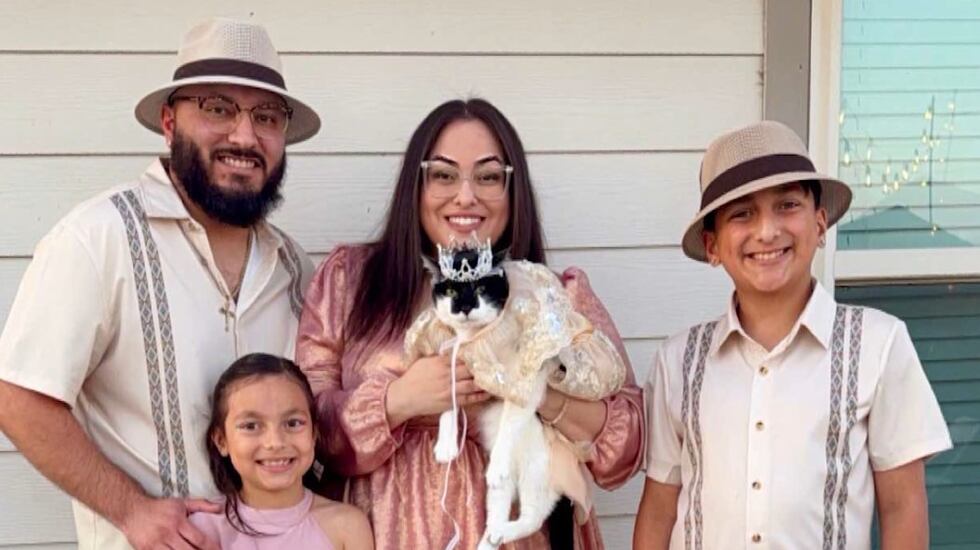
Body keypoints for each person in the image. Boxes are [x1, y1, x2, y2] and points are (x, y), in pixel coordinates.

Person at [0, 17, 317, 549]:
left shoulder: (294, 268)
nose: (244, 135)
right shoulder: (98, 239)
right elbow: (18, 396)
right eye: (218, 108)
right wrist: (131, 510)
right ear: (170, 122)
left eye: (266, 116)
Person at [296, 98, 644, 549]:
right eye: (443, 174)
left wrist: (533, 388)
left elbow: (625, 446)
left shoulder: (553, 294)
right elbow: (303, 429)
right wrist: (399, 400)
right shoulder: (351, 280)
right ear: (415, 187)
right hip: (384, 534)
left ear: (511, 189)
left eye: (488, 176)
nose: (465, 195)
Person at [633, 120, 953, 550]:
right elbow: (660, 507)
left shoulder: (879, 345)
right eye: (742, 213)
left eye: (787, 205)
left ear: (820, 223)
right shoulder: (679, 361)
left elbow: (903, 506)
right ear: (712, 245)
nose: (767, 231)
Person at [189, 353, 373, 549]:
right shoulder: (201, 531)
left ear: (313, 434)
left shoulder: (346, 527)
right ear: (221, 440)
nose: (275, 442)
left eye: (293, 423)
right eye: (251, 426)